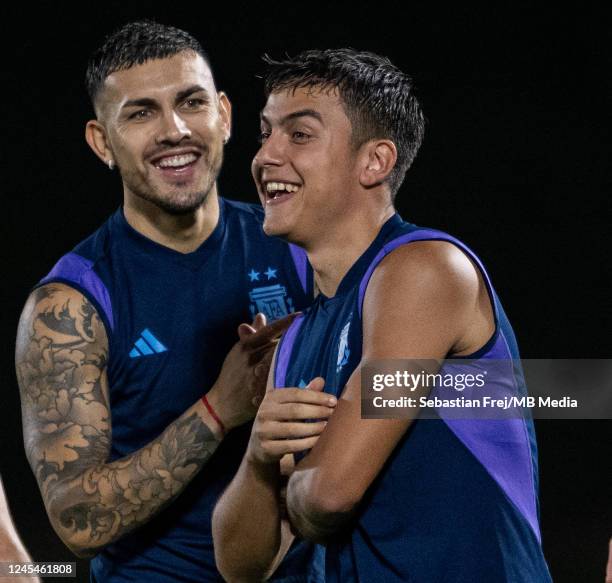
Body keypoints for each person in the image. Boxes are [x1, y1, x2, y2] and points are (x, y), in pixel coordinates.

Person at [212, 49, 553, 581]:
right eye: (265, 133)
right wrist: (259, 458)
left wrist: (300, 485)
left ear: (375, 161)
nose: (264, 156)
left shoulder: (425, 269)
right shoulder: (295, 339)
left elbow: (327, 497)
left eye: (299, 135)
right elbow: (241, 567)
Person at [15, 21, 316, 582]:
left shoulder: (296, 245)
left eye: (191, 102)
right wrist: (220, 409)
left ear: (223, 116)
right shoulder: (69, 307)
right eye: (140, 113)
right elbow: (77, 523)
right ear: (102, 142)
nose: (174, 130)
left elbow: (394, 384)